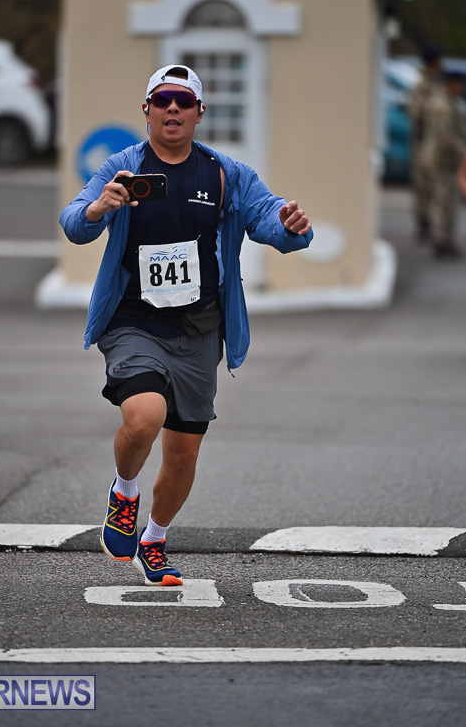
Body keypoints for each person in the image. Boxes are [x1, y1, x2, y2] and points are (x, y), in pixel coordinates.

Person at [60, 64, 313, 586]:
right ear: (147, 110)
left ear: (200, 112)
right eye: (162, 99)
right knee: (145, 416)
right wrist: (99, 207)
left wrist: (290, 229)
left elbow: (268, 218)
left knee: (182, 456)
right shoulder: (124, 167)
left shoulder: (225, 174)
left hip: (199, 331)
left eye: (182, 100)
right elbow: (74, 221)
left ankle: (154, 537)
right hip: (133, 321)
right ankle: (124, 493)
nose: (172, 108)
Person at [421, 69, 466, 257]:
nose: (461, 87)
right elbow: (445, 137)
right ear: (450, 83)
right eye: (458, 83)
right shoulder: (442, 105)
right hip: (441, 159)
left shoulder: (453, 102)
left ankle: (446, 239)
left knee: (449, 201)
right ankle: (441, 242)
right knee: (443, 201)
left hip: (448, 160)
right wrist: (465, 153)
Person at [408, 45, 444, 241]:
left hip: (434, 140)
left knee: (434, 183)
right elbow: (415, 113)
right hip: (423, 140)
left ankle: (432, 222)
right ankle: (423, 222)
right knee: (423, 183)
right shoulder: (422, 85)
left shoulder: (437, 83)